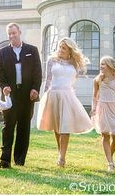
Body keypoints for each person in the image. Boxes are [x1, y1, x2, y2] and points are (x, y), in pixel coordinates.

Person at [37, 37, 93, 168]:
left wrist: (72, 97)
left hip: (67, 96)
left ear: (70, 50)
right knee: (57, 127)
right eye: (60, 47)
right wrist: (44, 95)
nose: (60, 50)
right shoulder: (52, 60)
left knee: (65, 127)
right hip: (53, 94)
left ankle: (62, 158)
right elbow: (48, 80)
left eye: (64, 48)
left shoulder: (75, 64)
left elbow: (73, 82)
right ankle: (60, 153)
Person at [0, 22, 42, 168]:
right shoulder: (2, 52)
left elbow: (37, 71)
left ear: (19, 32)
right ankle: (5, 160)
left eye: (14, 33)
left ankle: (20, 159)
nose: (11, 36)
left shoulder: (32, 50)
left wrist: (35, 88)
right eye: (9, 33)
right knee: (8, 126)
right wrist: (4, 86)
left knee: (24, 126)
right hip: (10, 95)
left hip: (27, 94)